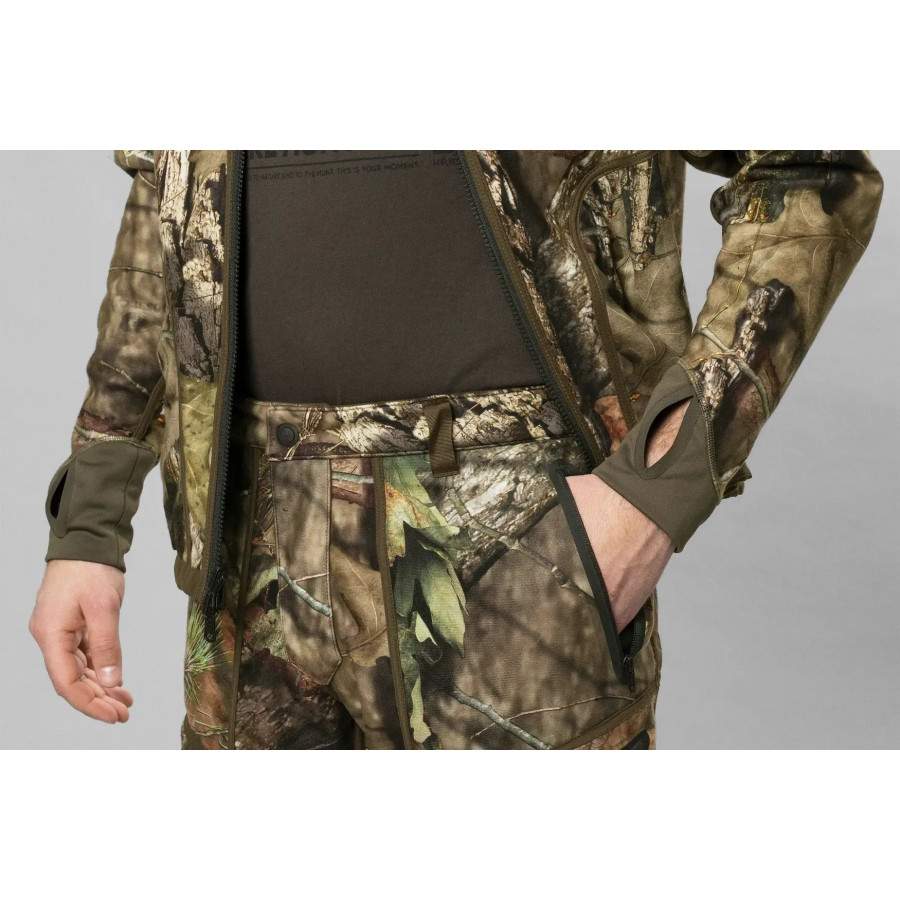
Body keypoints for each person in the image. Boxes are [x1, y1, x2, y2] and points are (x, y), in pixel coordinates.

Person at [29, 150, 884, 749]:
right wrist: (90, 525)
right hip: (249, 532)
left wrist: (656, 490)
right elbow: (162, 219)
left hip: (516, 517)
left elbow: (812, 170)